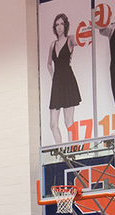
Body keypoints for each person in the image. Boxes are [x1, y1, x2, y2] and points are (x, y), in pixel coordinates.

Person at [47, 13, 81, 143]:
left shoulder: (70, 39)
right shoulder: (53, 44)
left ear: (65, 25)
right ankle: (60, 150)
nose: (59, 27)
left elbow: (80, 41)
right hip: (57, 84)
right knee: (53, 124)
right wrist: (53, 76)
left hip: (68, 81)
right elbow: (49, 64)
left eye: (61, 24)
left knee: (68, 121)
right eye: (57, 24)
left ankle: (72, 150)